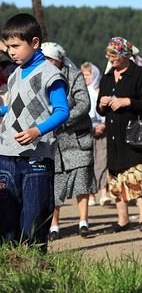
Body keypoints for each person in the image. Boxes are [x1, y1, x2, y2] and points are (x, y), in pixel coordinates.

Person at [0, 13, 69, 249]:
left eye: (16, 46)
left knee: (33, 221)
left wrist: (37, 131)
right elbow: (15, 109)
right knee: (7, 222)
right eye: (8, 46)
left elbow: (62, 111)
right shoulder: (14, 74)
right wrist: (1, 110)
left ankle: (36, 272)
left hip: (36, 157)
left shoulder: (51, 74)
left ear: (35, 42)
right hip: (6, 156)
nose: (11, 51)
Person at [97, 37, 142, 235]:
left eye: (113, 55)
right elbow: (100, 110)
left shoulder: (139, 75)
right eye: (109, 55)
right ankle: (122, 220)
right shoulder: (106, 78)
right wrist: (102, 104)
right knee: (116, 178)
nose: (110, 58)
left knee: (138, 176)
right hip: (113, 137)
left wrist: (127, 101)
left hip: (134, 136)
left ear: (124, 55)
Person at [42, 42, 96, 241]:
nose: (46, 62)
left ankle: (83, 222)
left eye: (49, 58)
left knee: (82, 181)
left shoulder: (74, 76)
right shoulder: (40, 76)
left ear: (58, 59)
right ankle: (54, 225)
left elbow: (84, 103)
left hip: (76, 138)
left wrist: (62, 118)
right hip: (53, 141)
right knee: (55, 184)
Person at [81, 61, 111, 207]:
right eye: (84, 74)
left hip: (102, 130)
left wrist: (103, 126)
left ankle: (104, 192)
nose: (86, 77)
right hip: (87, 131)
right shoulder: (82, 93)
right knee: (89, 162)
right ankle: (91, 194)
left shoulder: (101, 92)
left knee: (103, 161)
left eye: (88, 74)